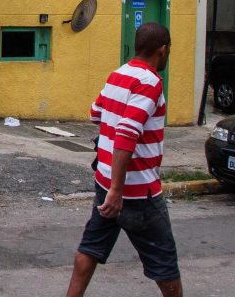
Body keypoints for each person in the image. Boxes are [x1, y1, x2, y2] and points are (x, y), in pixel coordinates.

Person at [65, 22, 183, 297]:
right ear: (163, 50)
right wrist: (118, 191)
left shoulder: (118, 74)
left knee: (90, 248)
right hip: (136, 192)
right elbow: (126, 134)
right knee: (164, 265)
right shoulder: (150, 82)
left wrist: (112, 188)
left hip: (104, 183)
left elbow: (95, 112)